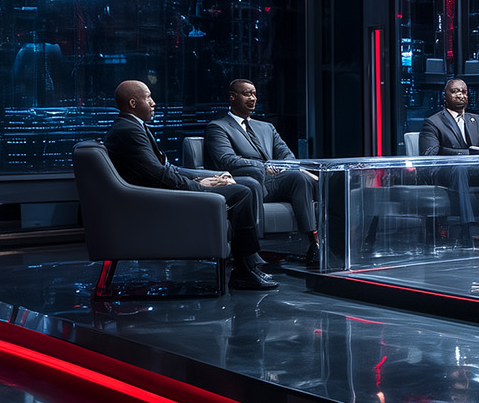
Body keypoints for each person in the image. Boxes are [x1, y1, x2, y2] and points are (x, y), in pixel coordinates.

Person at [104, 80, 276, 291]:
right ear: (132, 102)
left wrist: (201, 179)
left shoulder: (132, 126)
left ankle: (248, 266)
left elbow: (165, 169)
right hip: (158, 201)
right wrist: (198, 186)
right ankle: (243, 270)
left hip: (161, 193)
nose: (154, 103)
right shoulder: (128, 130)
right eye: (148, 98)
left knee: (241, 187)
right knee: (242, 192)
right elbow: (158, 174)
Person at [203, 79, 319, 265]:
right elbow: (226, 160)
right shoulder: (218, 127)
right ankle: (252, 252)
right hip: (246, 181)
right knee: (279, 180)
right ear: (232, 97)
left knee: (301, 178)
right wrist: (263, 167)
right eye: (247, 93)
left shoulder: (266, 127)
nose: (253, 98)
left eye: (255, 94)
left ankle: (313, 244)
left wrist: (285, 166)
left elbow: (287, 154)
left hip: (273, 181)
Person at [418, 78, 479, 246]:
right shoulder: (433, 123)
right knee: (459, 168)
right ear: (445, 96)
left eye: (464, 92)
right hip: (446, 171)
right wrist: (467, 153)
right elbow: (430, 154)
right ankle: (466, 231)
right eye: (455, 92)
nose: (460, 95)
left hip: (473, 170)